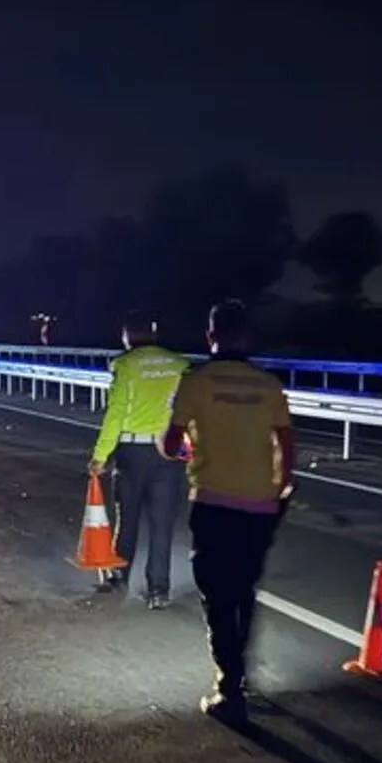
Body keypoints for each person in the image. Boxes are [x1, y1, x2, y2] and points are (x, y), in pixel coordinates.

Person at [161, 299, 293, 722]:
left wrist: (185, 446)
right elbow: (286, 448)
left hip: (214, 502)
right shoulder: (269, 385)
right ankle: (240, 674)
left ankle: (228, 686)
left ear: (210, 336)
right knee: (243, 590)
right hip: (260, 504)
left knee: (216, 595)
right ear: (248, 336)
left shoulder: (195, 383)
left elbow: (169, 445)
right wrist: (278, 490)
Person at [89, 313, 190, 609]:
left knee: (128, 518)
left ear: (127, 337)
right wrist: (188, 456)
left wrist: (100, 456)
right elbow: (187, 414)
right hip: (170, 452)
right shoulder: (180, 364)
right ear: (154, 335)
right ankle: (159, 591)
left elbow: (115, 414)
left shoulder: (125, 365)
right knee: (162, 525)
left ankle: (119, 577)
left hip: (133, 452)